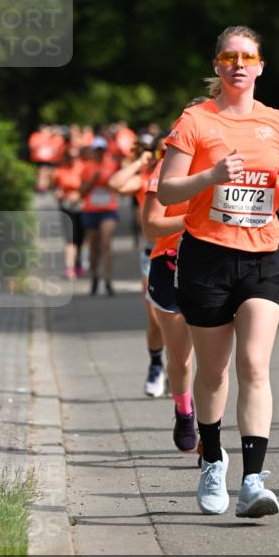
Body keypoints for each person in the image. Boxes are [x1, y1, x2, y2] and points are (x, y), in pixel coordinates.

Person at [157, 25, 279, 517]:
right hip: (206, 257)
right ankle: (212, 458)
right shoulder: (195, 120)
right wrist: (210, 176)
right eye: (229, 56)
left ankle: (254, 481)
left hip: (263, 255)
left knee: (255, 365)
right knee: (215, 372)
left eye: (248, 57)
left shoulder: (278, 123)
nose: (239, 64)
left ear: (261, 65)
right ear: (217, 66)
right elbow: (167, 192)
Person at [142, 145, 197, 452]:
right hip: (170, 265)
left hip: (215, 268)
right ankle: (184, 411)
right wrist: (195, 219)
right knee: (181, 359)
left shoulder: (229, 169)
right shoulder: (166, 170)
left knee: (216, 364)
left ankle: (211, 436)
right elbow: (150, 226)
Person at [108, 135, 167, 396]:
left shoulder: (190, 178)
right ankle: (156, 364)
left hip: (186, 255)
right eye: (161, 152)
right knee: (156, 320)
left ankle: (179, 369)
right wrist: (139, 163)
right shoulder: (146, 180)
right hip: (153, 254)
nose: (166, 157)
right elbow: (116, 184)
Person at [80, 136, 119, 296]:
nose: (99, 153)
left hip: (108, 209)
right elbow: (81, 192)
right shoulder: (87, 167)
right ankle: (94, 277)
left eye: (101, 150)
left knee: (106, 243)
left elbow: (118, 185)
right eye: (96, 150)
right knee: (93, 248)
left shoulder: (112, 165)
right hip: (91, 209)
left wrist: (111, 184)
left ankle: (108, 279)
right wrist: (93, 181)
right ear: (93, 151)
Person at [53, 141, 85, 278]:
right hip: (66, 206)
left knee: (81, 238)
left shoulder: (83, 168)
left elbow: (88, 184)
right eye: (69, 157)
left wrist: (81, 194)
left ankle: (78, 263)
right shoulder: (59, 171)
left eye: (75, 157)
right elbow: (55, 187)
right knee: (70, 238)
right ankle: (69, 267)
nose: (72, 159)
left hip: (82, 206)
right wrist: (58, 192)